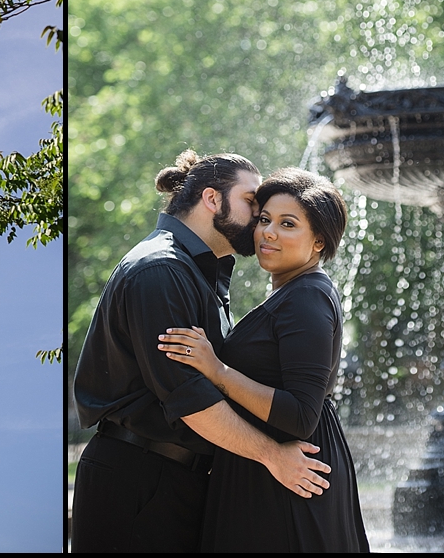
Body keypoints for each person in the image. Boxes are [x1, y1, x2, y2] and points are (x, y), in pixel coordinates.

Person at [72, 151, 333, 553]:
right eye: (252, 204)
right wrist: (273, 456)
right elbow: (190, 399)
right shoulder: (160, 271)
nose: (260, 216)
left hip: (175, 480)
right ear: (213, 200)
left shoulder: (198, 273)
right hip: (139, 480)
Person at [157, 167, 369, 552]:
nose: (268, 233)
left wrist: (218, 372)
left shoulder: (308, 297)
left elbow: (302, 414)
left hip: (291, 479)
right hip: (270, 473)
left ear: (319, 241)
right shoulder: (292, 292)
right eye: (265, 220)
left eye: (288, 224)